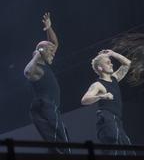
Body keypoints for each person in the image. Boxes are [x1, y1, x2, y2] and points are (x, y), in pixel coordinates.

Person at [24, 13, 71, 154]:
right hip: (44, 105)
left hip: (51, 107)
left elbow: (54, 43)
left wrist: (49, 28)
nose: (53, 52)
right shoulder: (37, 67)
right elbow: (27, 73)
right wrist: (37, 54)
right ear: (41, 51)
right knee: (61, 142)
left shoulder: (45, 61)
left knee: (61, 140)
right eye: (50, 51)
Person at [81, 49, 134, 155]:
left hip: (117, 120)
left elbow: (127, 63)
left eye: (110, 62)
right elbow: (84, 100)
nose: (111, 64)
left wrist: (112, 54)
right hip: (107, 118)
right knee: (115, 147)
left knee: (129, 151)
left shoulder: (114, 78)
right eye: (107, 62)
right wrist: (102, 96)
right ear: (100, 68)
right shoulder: (98, 85)